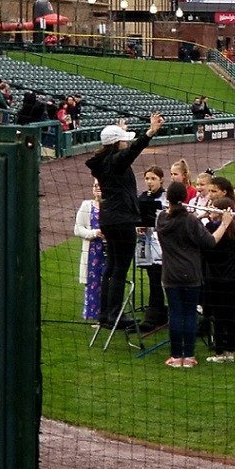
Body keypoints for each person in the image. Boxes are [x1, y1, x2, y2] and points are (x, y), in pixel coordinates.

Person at [85, 113, 164, 329]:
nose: (126, 142)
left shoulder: (101, 161)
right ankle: (114, 314)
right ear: (116, 143)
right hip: (122, 219)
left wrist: (119, 130)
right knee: (120, 268)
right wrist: (150, 132)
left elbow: (125, 149)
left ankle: (104, 313)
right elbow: (132, 151)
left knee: (111, 267)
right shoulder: (115, 162)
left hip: (109, 218)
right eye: (123, 139)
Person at [156, 182, 235, 368]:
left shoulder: (162, 218)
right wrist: (224, 223)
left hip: (170, 275)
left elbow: (180, 219)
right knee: (190, 314)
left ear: (169, 199)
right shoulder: (190, 221)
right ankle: (189, 356)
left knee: (175, 314)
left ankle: (176, 357)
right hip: (191, 274)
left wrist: (202, 215)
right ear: (185, 198)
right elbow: (210, 241)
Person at [202, 197, 235, 363]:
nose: (210, 210)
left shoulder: (210, 229)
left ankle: (219, 352)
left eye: (213, 207)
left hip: (214, 280)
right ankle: (230, 351)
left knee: (218, 316)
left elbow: (204, 250)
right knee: (230, 316)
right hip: (233, 280)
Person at [136, 166, 169, 332]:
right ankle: (158, 312)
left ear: (161, 179)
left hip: (162, 246)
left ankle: (154, 315)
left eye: (153, 179)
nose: (149, 182)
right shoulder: (142, 197)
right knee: (153, 279)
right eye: (147, 179)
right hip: (146, 244)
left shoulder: (165, 198)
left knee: (161, 279)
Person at [74, 179, 105, 322]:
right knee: (92, 281)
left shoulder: (111, 207)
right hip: (92, 252)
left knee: (108, 282)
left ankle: (107, 314)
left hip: (108, 251)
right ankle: (92, 314)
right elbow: (78, 229)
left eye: (101, 186)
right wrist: (93, 233)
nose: (98, 188)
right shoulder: (86, 206)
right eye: (95, 186)